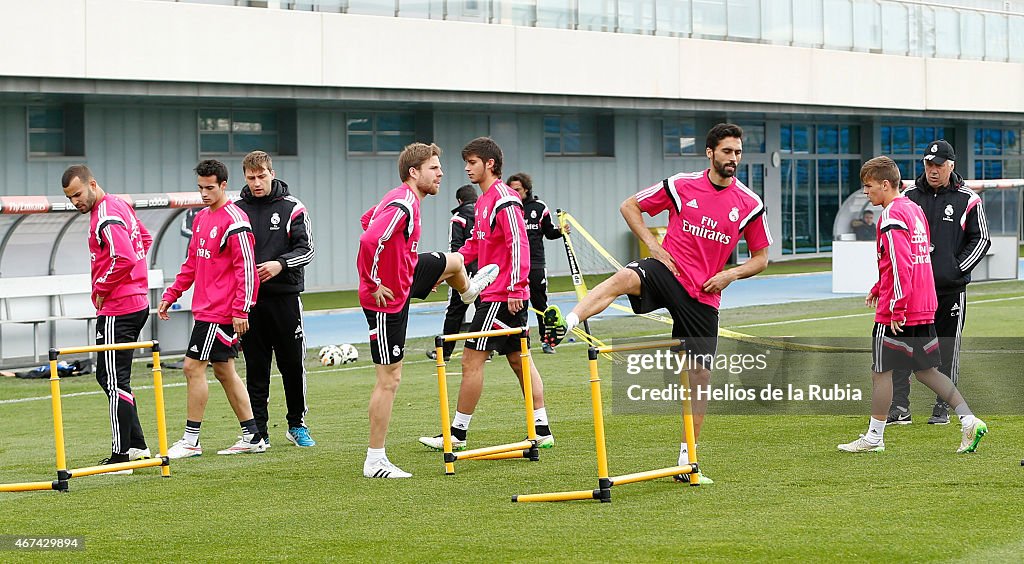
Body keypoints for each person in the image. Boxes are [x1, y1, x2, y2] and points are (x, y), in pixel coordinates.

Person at [543, 123, 772, 484]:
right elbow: (629, 206)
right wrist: (652, 244)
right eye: (727, 152)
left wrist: (730, 275)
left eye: (738, 153)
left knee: (699, 378)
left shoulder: (749, 203)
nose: (734, 159)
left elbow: (761, 258)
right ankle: (566, 324)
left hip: (704, 294)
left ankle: (687, 462)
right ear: (710, 153)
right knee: (623, 279)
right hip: (668, 271)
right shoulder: (681, 184)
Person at [359, 142, 499, 479]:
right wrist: (374, 280)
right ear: (414, 172)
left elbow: (368, 220)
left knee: (452, 261)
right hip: (384, 300)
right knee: (389, 380)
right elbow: (368, 240)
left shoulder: (402, 200)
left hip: (402, 283)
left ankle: (467, 291)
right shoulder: (404, 203)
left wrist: (401, 263)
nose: (441, 173)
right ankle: (375, 460)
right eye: (434, 168)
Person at [838, 156, 987, 453]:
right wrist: (879, 287)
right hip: (924, 303)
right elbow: (917, 258)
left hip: (901, 309)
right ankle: (969, 419)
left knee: (881, 371)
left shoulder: (892, 214)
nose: (866, 193)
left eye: (868, 187)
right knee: (926, 371)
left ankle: (874, 438)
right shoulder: (914, 209)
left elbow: (901, 262)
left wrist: (896, 305)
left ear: (884, 184)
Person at [418, 137, 555, 452]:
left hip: (501, 296)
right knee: (521, 360)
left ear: (489, 164)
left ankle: (457, 435)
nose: (466, 168)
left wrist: (518, 287)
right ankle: (542, 429)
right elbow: (473, 247)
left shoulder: (504, 198)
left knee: (470, 361)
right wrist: (444, 270)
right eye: (466, 162)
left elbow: (518, 243)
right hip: (499, 294)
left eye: (472, 162)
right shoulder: (482, 202)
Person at [157, 160, 266, 458]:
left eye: (209, 188)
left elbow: (246, 269)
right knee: (225, 371)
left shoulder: (235, 220)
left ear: (222, 186)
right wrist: (172, 293)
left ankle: (191, 441)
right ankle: (253, 435)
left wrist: (242, 309)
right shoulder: (202, 219)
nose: (204, 193)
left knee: (192, 368)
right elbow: (192, 263)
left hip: (220, 312)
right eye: (200, 188)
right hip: (205, 310)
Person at [887, 139, 991, 426]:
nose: (933, 171)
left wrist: (955, 270)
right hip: (914, 292)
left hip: (949, 291)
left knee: (946, 349)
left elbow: (981, 239)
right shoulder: (908, 196)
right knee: (902, 347)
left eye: (939, 166)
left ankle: (942, 405)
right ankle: (900, 406)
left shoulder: (967, 199)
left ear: (951, 165)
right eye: (929, 165)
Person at [61, 165, 153, 472]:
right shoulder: (120, 205)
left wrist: (102, 287)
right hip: (134, 301)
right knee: (111, 377)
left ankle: (121, 454)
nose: (75, 201)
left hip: (120, 307)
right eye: (70, 197)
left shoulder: (105, 215)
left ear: (92, 184)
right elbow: (145, 239)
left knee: (114, 380)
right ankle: (138, 446)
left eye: (77, 194)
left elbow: (124, 256)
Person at [235, 151, 317, 448]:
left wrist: (280, 264)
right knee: (256, 367)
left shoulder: (293, 207)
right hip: (250, 302)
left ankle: (297, 424)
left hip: (285, 300)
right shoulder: (236, 210)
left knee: (292, 365)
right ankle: (258, 431)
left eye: (262, 176)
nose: (257, 182)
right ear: (244, 177)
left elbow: (306, 250)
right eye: (251, 177)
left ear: (272, 173)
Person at [507, 172, 567, 354]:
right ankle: (522, 343)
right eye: (511, 190)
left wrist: (561, 231)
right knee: (518, 306)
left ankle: (547, 341)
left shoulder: (539, 208)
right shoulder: (507, 207)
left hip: (536, 264)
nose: (514, 193)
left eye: (517, 189)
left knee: (541, 304)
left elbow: (549, 232)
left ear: (526, 188)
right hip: (515, 265)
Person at [426, 184, 478, 362]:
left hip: (463, 272)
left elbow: (455, 249)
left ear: (459, 201)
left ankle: (445, 352)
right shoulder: (484, 215)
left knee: (455, 312)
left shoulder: (458, 218)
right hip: (484, 271)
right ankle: (487, 350)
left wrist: (447, 274)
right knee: (483, 310)